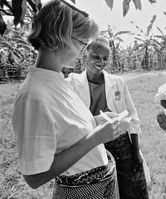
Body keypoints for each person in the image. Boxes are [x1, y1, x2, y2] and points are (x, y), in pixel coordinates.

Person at [12, 1, 121, 198]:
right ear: (59, 36)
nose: (82, 50)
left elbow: (66, 132)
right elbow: (34, 177)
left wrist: (95, 122)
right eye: (82, 42)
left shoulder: (58, 80)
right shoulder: (34, 96)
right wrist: (96, 137)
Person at [66, 36, 150, 199]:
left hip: (120, 142)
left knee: (132, 188)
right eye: (95, 56)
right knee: (101, 189)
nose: (101, 61)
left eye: (105, 58)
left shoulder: (118, 82)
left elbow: (132, 116)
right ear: (85, 56)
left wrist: (136, 150)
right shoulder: (72, 83)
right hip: (91, 143)